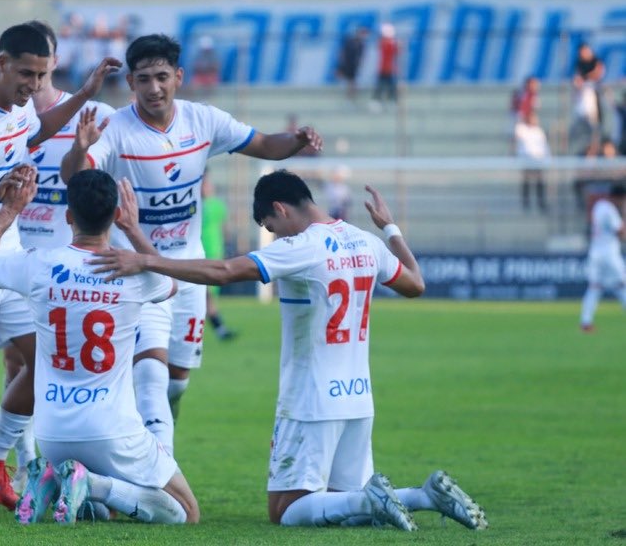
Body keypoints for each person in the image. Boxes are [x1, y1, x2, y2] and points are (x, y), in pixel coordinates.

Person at [89, 169, 488, 532]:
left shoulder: (302, 246)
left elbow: (224, 272)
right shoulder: (365, 241)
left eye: (271, 226)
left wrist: (141, 258)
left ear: (280, 209)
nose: (275, 236)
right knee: (342, 508)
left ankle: (377, 496)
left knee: (285, 511)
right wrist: (390, 229)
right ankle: (420, 496)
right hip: (358, 399)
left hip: (309, 400)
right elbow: (415, 284)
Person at [59, 33, 322, 458]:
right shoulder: (116, 130)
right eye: (143, 79)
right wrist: (79, 148)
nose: (154, 88)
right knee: (149, 373)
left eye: (161, 77)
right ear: (131, 82)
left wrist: (297, 139)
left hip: (189, 268)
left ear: (178, 77)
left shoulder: (203, 121)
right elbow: (74, 175)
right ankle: (158, 472)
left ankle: (154, 433)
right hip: (137, 267)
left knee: (176, 380)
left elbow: (265, 145)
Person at [0, 22, 120, 516]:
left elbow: (36, 131)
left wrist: (85, 95)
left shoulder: (21, 106)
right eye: (26, 74)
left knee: (48, 356)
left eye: (43, 75)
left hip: (4, 241)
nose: (33, 86)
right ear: (1, 63)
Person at [0, 168, 199, 526]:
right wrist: (135, 232)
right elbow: (171, 283)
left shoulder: (40, 263)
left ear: (69, 216)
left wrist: (9, 212)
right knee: (186, 512)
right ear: (117, 216)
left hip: (53, 433)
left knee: (104, 515)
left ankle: (55, 482)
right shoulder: (132, 273)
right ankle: (92, 483)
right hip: (112, 430)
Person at [16, 20, 116, 252]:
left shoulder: (95, 115)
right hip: (12, 260)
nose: (35, 61)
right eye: (27, 55)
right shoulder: (1, 120)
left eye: (43, 53)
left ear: (55, 60)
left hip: (68, 265)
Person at [579, 183, 626, 332]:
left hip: (595, 251)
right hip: (609, 254)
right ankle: (586, 322)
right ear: (619, 197)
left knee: (594, 287)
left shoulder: (599, 205)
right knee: (622, 285)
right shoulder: (611, 210)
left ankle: (586, 322)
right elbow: (620, 233)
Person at [200, 174, 235, 342]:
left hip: (215, 253)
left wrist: (227, 246)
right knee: (204, 293)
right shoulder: (196, 206)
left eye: (208, 184)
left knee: (209, 295)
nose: (206, 187)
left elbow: (224, 228)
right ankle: (219, 329)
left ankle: (219, 329)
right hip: (199, 254)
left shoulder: (218, 205)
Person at [513, 112, 550, 213]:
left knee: (540, 182)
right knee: (526, 182)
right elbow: (517, 134)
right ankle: (526, 203)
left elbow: (544, 147)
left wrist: (546, 160)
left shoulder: (539, 131)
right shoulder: (522, 130)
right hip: (527, 160)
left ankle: (541, 202)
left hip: (537, 160)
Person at [336, 27, 368, 101]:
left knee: (352, 81)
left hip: (353, 65)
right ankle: (348, 95)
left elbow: (361, 56)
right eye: (362, 34)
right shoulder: (350, 41)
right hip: (347, 63)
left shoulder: (361, 45)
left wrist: (359, 64)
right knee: (348, 80)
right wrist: (341, 62)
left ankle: (351, 96)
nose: (363, 36)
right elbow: (343, 52)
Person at [371, 23, 398, 108]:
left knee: (391, 86)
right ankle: (376, 101)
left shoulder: (392, 43)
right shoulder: (383, 43)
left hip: (390, 68)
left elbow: (396, 52)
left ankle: (391, 101)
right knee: (380, 86)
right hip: (382, 68)